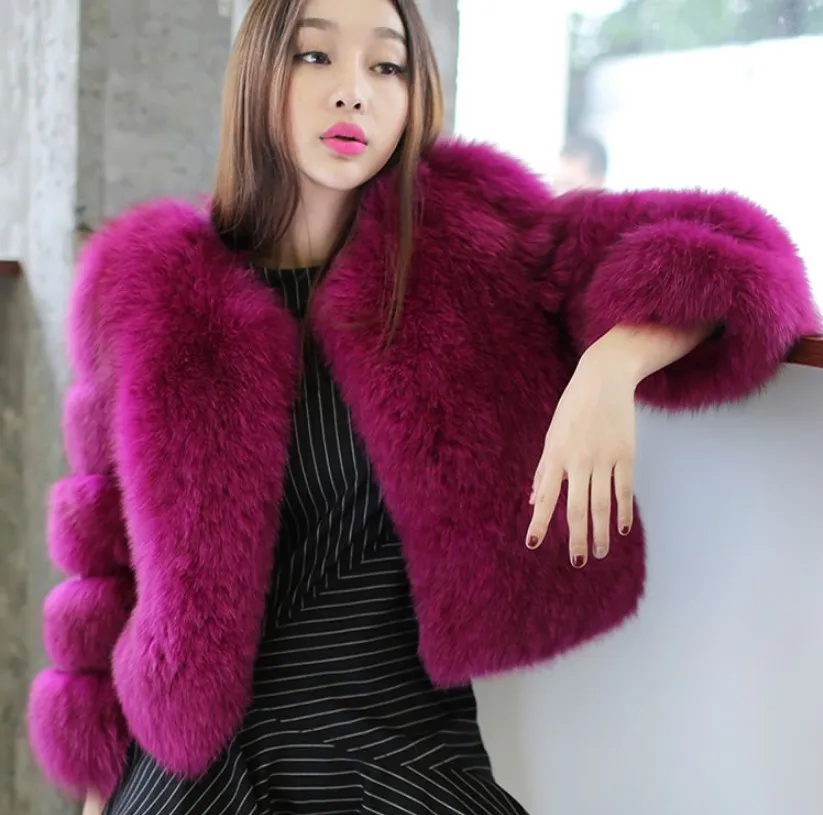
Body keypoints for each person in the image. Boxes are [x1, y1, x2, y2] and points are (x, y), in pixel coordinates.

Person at [27, 0, 819, 813]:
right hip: (190, 777)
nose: (353, 91)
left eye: (386, 66)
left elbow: (744, 258)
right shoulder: (141, 286)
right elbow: (102, 564)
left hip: (395, 756)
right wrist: (98, 792)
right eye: (314, 57)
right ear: (258, 74)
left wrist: (611, 366)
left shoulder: (470, 243)